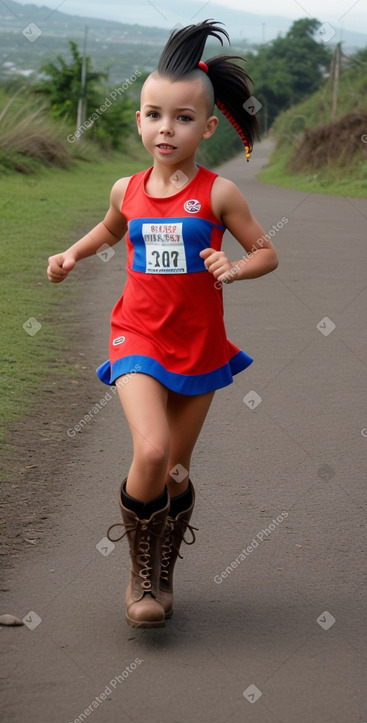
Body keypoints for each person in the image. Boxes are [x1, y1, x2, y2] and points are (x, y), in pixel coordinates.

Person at [47, 20, 278, 628]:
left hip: (199, 347)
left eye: (181, 118)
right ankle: (140, 576)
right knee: (149, 451)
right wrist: (72, 254)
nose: (164, 128)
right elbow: (110, 229)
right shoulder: (127, 188)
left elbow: (266, 252)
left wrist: (233, 266)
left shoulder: (220, 193)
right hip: (137, 338)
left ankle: (163, 562)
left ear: (207, 127)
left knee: (175, 470)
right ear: (139, 121)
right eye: (153, 114)